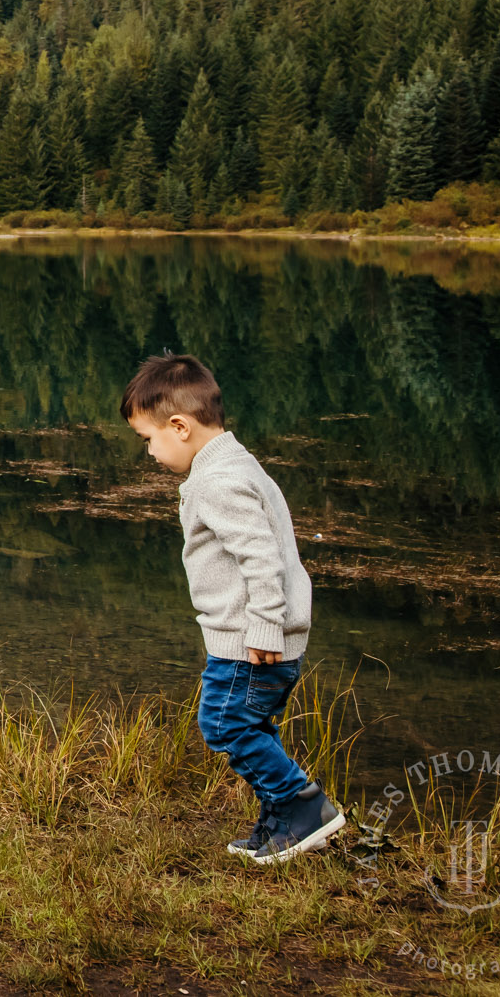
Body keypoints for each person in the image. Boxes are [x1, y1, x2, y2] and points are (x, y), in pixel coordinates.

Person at [122, 353, 345, 863]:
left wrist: (265, 626)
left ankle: (304, 809)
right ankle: (280, 822)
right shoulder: (232, 462)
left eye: (148, 440)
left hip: (253, 642)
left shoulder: (218, 480)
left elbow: (262, 557)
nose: (150, 453)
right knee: (253, 726)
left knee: (224, 725)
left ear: (179, 426)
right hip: (258, 638)